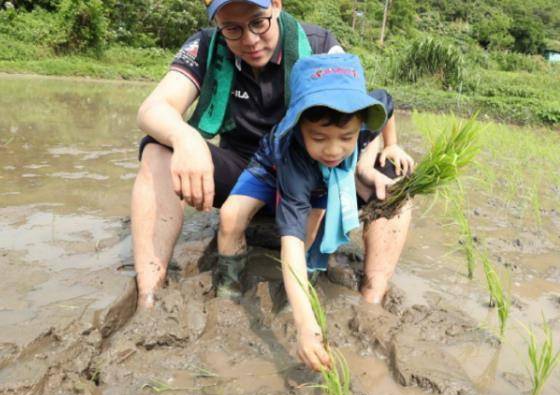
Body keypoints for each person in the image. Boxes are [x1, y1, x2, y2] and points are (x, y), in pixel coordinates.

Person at [133, 0, 344, 308]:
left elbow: (355, 112)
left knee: (392, 171)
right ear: (217, 22)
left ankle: (373, 298)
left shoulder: (319, 46)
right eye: (233, 28)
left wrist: (380, 152)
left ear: (276, 5)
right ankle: (148, 294)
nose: (249, 40)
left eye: (258, 22)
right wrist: (185, 136)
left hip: (304, 179)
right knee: (157, 147)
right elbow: (152, 109)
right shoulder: (207, 45)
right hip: (243, 178)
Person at [217, 53, 414, 371]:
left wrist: (391, 144)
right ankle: (227, 287)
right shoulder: (295, 156)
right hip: (269, 166)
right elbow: (289, 242)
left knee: (312, 226)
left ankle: (297, 288)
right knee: (230, 219)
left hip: (320, 175)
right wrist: (306, 324)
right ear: (299, 126)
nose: (334, 149)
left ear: (361, 123)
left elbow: (386, 102)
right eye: (319, 137)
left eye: (346, 138)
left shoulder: (360, 119)